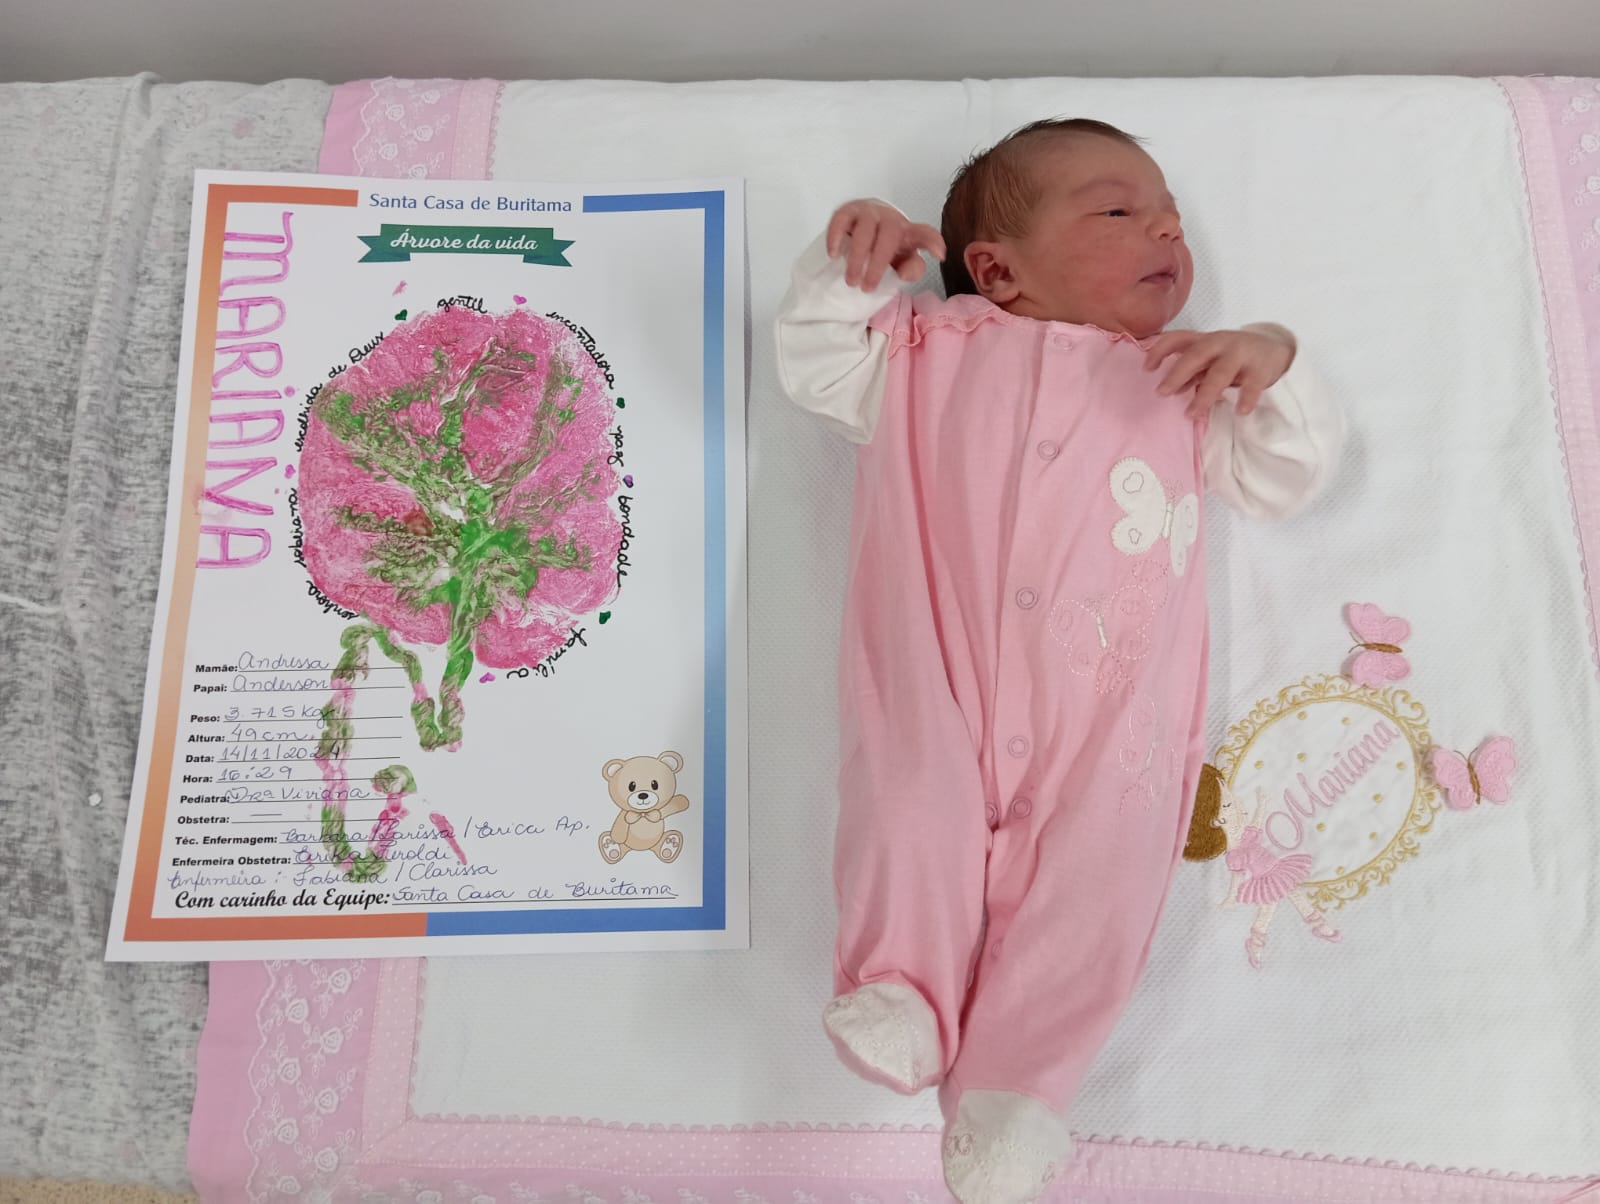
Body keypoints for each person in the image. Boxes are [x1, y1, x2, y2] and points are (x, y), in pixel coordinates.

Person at [774, 118, 1345, 1203]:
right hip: (932, 678)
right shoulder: (918, 352)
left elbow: (1284, 479)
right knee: (906, 806)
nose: (1167, 230)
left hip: (1111, 720)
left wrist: (1273, 363)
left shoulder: (1184, 382)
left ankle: (1019, 1084)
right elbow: (811, 362)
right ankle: (902, 988)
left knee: (1101, 875)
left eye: (1171, 215)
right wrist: (850, 267)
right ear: (996, 271)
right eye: (1120, 210)